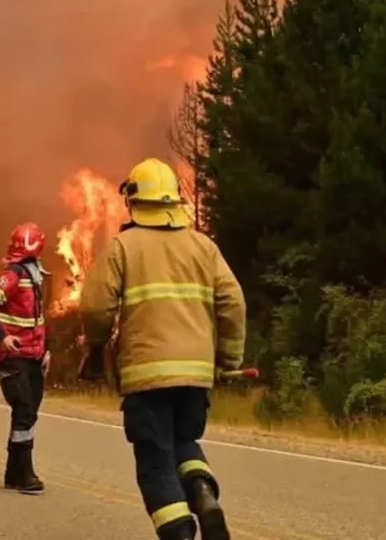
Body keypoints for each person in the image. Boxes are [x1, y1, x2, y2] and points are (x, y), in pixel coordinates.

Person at [79, 158, 246, 540]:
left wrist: (97, 343)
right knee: (184, 441)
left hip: (146, 374)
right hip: (196, 376)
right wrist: (229, 358)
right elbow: (233, 302)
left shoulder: (123, 247)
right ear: (173, 199)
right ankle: (203, 492)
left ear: (134, 201)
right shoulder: (203, 246)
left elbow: (94, 307)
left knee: (155, 460)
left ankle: (180, 535)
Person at [0, 222, 52, 495]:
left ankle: (12, 473)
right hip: (14, 356)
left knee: (28, 415)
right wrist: (2, 337)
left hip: (33, 356)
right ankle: (27, 474)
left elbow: (39, 319)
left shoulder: (35, 277)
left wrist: (46, 350)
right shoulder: (12, 274)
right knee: (24, 412)